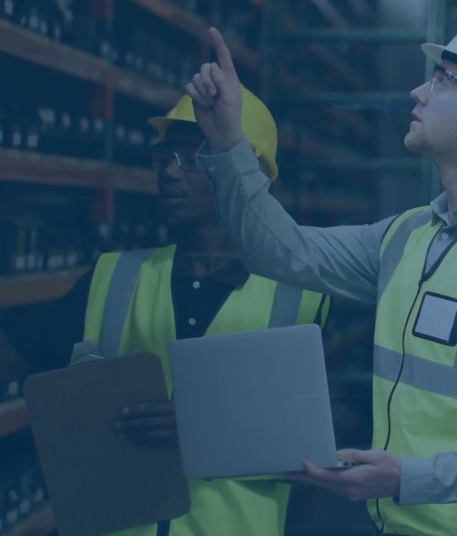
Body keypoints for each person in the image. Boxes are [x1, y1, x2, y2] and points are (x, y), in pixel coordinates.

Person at [183, 9, 457, 536]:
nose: (418, 92)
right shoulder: (407, 236)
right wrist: (228, 143)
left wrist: (409, 479)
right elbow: (282, 252)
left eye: (443, 79)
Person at [0, 88, 331, 536]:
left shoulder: (303, 294)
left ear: (246, 171)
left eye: (193, 158)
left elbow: (316, 445)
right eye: (163, 157)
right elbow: (21, 350)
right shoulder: (113, 276)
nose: (171, 174)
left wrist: (204, 427)